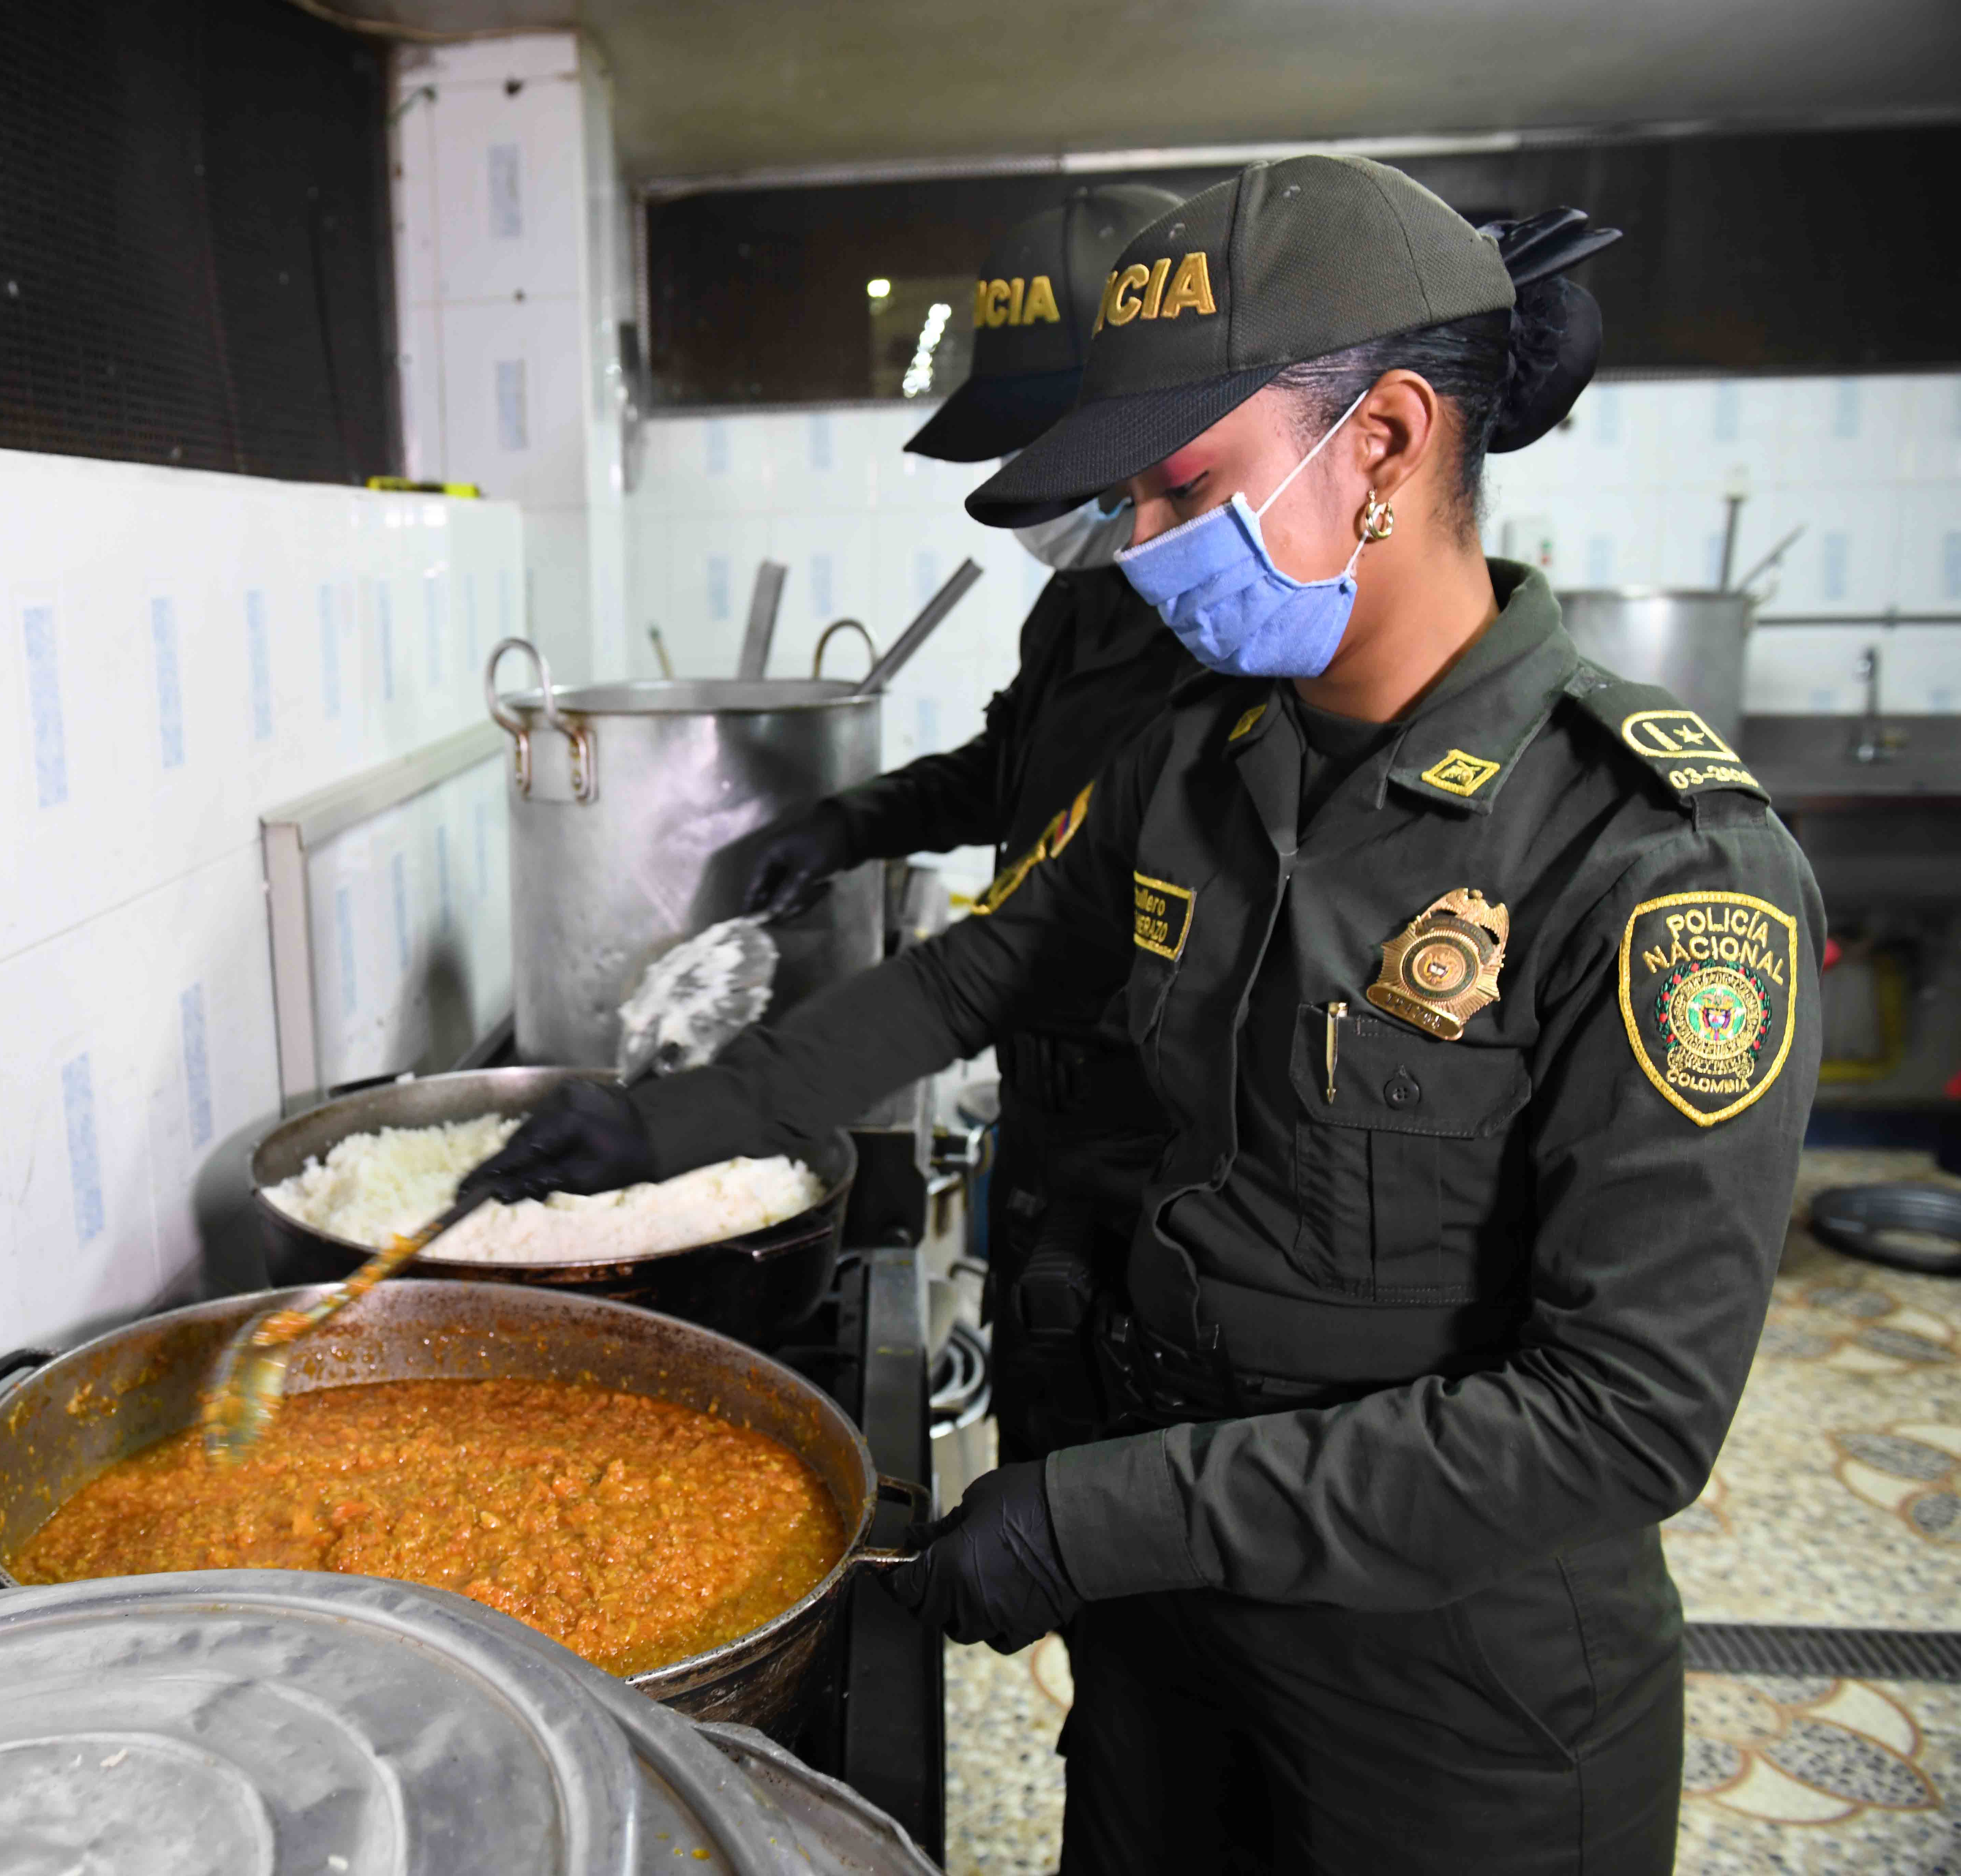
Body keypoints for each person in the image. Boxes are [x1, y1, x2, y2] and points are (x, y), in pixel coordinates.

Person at [461, 156, 1821, 1871]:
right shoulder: (1207, 758)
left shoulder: (1652, 864)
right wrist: (655, 1126)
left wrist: (1097, 1510)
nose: (1147, 552)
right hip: (1175, 1633)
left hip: (1451, 1701)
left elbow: (1620, 1415)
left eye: (1183, 489)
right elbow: (977, 972)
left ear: (1387, 445)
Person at [737, 183, 1191, 1464]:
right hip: (1052, 1128)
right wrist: (848, 823)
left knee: (1122, 1505)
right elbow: (1012, 768)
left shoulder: (1226, 627)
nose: (1028, 484)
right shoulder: (1086, 601)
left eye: (1050, 443)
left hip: (1157, 1142)